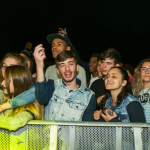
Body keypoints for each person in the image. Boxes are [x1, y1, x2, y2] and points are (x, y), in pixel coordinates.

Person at [34, 46, 96, 121]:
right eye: (62, 65)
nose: (67, 68)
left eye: (70, 64)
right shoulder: (52, 86)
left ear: (77, 67)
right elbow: (41, 99)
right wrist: (39, 67)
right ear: (58, 70)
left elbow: (86, 129)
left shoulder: (89, 96)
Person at [0, 65, 41, 131]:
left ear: (19, 82)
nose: (2, 83)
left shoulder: (31, 105)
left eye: (7, 80)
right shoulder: (5, 100)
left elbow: (13, 123)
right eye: (3, 79)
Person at [132, 58, 150, 123]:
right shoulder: (132, 91)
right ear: (139, 71)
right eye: (144, 69)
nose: (147, 72)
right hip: (137, 130)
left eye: (149, 69)